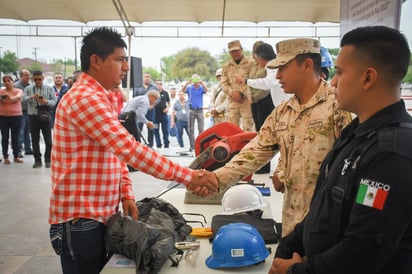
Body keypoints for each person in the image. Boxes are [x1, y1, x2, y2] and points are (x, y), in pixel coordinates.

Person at [48, 27, 218, 274]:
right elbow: (129, 149)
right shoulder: (83, 98)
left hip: (99, 216)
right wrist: (189, 177)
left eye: (125, 60)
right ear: (95, 61)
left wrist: (126, 192)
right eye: (119, 59)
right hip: (80, 221)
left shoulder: (100, 97)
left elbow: (115, 150)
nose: (125, 67)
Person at [270, 26, 412, 274]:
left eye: (339, 72)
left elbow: (363, 249)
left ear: (368, 78)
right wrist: (289, 246)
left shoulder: (392, 153)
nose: (333, 81)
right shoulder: (356, 133)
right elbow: (324, 206)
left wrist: (298, 270)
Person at [211, 38, 352, 237]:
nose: (277, 75)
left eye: (283, 67)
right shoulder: (283, 112)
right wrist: (215, 179)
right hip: (291, 226)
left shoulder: (339, 108)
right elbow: (254, 152)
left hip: (326, 228)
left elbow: (350, 169)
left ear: (307, 65)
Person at [23, 70, 57, 168]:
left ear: (43, 78)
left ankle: (48, 160)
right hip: (33, 116)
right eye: (36, 79)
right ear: (33, 79)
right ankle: (37, 160)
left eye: (40, 79)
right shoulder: (28, 88)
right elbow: (22, 99)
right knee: (34, 140)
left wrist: (45, 101)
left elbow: (54, 101)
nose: (38, 81)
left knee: (48, 140)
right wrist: (31, 97)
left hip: (45, 116)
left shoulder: (49, 88)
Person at [221, 40, 255, 132]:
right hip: (232, 101)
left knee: (249, 128)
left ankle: (249, 146)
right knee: (231, 128)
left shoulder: (251, 63)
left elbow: (254, 81)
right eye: (232, 52)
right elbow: (223, 83)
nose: (235, 53)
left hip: (247, 101)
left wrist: (242, 93)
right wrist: (232, 93)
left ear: (241, 49)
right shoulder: (226, 66)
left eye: (236, 50)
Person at [0, 74, 24, 164]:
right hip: (3, 116)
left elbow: (17, 98)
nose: (7, 83)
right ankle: (5, 156)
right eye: (5, 81)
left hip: (16, 116)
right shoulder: (1, 91)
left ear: (12, 82)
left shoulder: (18, 90)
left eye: (8, 81)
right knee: (5, 137)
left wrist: (9, 97)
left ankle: (16, 155)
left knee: (15, 137)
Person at [181, 73, 208, 150]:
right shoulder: (190, 88)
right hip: (191, 110)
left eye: (196, 80)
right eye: (194, 80)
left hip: (200, 110)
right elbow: (182, 91)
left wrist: (201, 83)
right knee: (191, 129)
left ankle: (201, 145)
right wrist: (187, 82)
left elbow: (206, 90)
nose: (195, 82)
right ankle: (192, 146)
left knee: (201, 129)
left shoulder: (201, 88)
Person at [134, 73, 158, 147]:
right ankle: (138, 144)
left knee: (150, 127)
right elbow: (135, 98)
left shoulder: (154, 87)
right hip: (140, 110)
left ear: (150, 78)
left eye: (148, 77)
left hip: (150, 111)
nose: (147, 78)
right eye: (145, 77)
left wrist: (152, 105)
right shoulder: (138, 87)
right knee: (139, 127)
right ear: (143, 78)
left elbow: (158, 98)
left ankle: (150, 145)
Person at [14, 69, 33, 157]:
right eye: (26, 75)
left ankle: (28, 148)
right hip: (20, 111)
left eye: (28, 75)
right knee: (20, 131)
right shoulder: (16, 86)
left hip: (29, 111)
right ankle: (18, 150)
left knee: (27, 131)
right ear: (21, 76)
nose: (28, 77)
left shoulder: (31, 86)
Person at [154, 80, 170, 148]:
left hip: (164, 115)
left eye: (160, 84)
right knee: (156, 130)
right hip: (155, 116)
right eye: (157, 84)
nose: (159, 85)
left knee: (165, 130)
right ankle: (158, 144)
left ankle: (166, 144)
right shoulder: (153, 93)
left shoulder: (165, 93)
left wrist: (167, 108)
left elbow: (169, 103)